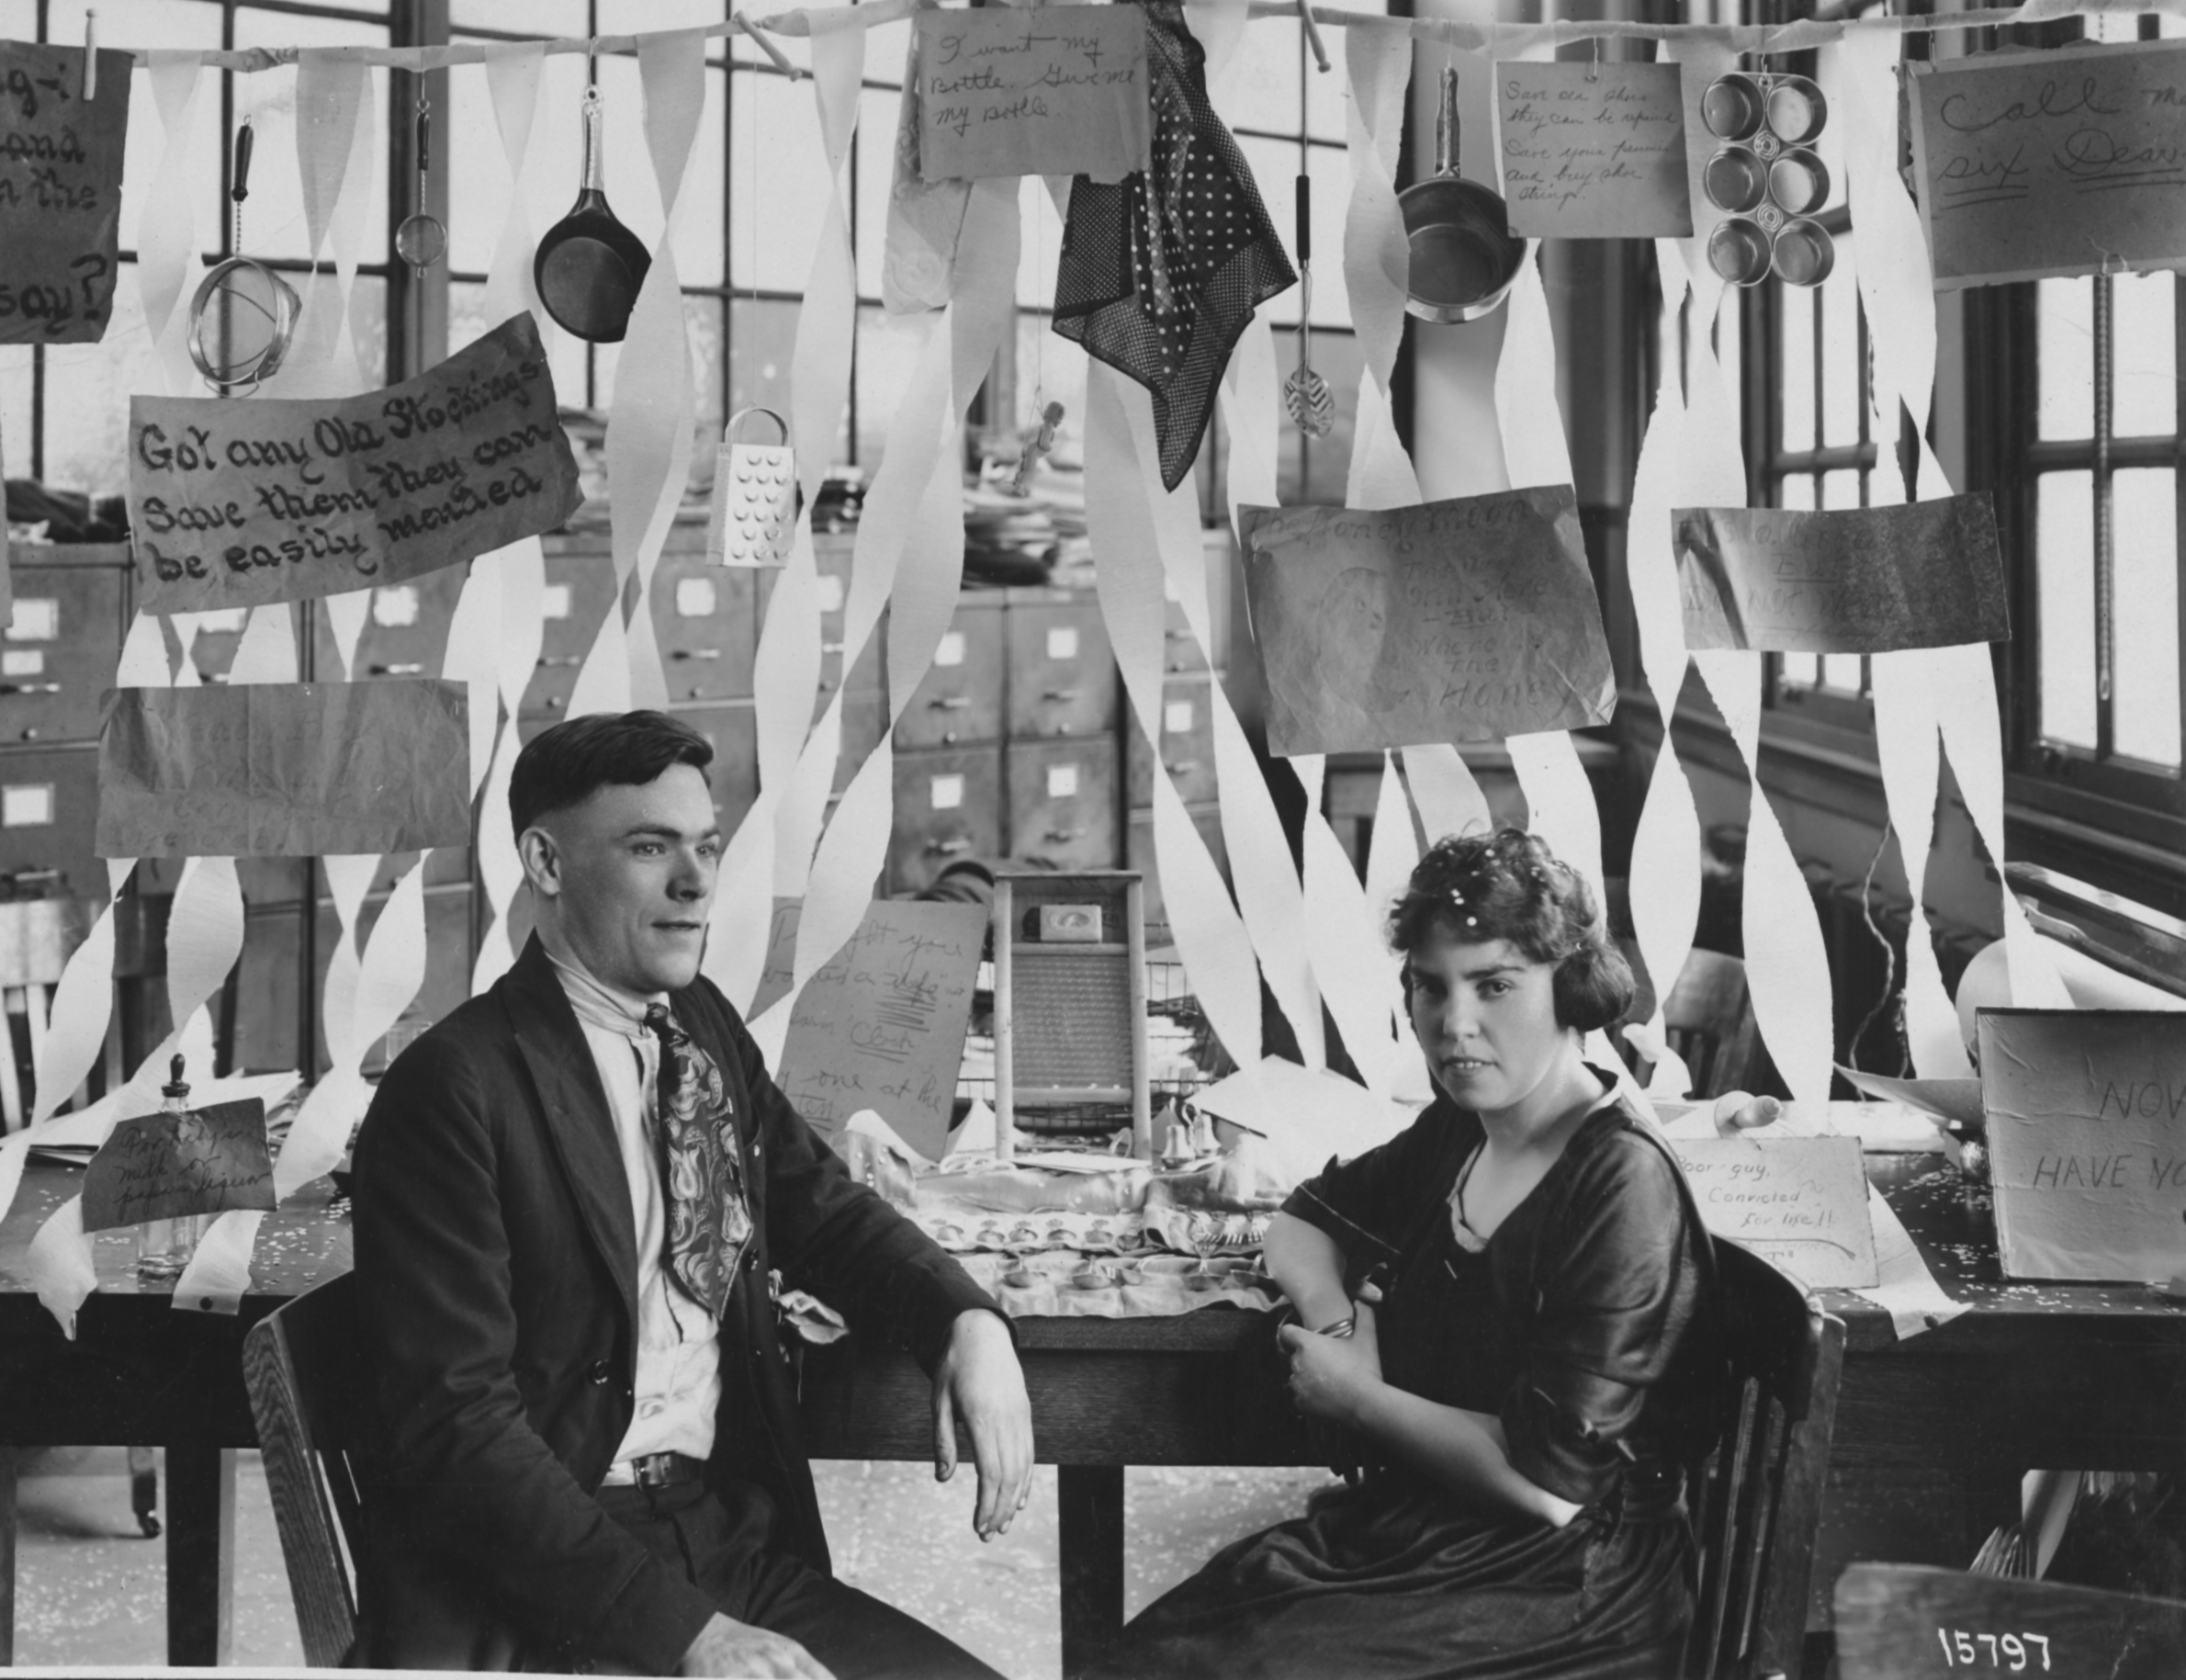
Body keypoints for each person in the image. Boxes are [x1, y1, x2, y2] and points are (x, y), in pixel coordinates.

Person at [353, 711, 1033, 1678]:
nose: (696, 881)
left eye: (706, 847)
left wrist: (966, 1318)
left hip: (713, 1536)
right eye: (648, 847)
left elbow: (820, 1208)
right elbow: (457, 1426)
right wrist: (687, 1635)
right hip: (539, 1582)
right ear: (545, 861)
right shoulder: (455, 1086)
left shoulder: (698, 1025)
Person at [1101, 829, 1725, 1680]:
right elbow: (1301, 1222)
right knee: (1156, 1654)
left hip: (1569, 1581)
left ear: (1570, 989)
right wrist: (1336, 1321)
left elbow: (1550, 1487)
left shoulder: (1620, 1183)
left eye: (1495, 985)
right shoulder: (1465, 1127)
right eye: (1430, 988)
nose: (1455, 1025)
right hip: (1437, 1521)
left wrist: (1356, 1396)